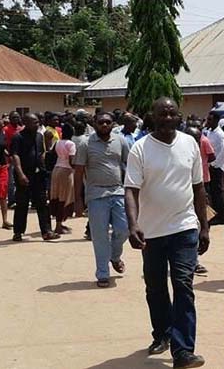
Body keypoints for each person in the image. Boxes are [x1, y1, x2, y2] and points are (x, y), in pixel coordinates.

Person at [125, 98, 210, 369]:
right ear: (153, 116)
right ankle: (162, 333)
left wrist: (204, 225)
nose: (168, 118)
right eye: (162, 114)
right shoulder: (140, 148)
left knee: (183, 284)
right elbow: (131, 190)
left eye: (172, 114)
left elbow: (198, 187)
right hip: (151, 231)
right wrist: (133, 224)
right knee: (156, 286)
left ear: (179, 117)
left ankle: (183, 350)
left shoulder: (189, 144)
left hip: (184, 227)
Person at [74, 112, 130, 287]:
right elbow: (78, 172)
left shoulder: (120, 141)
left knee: (125, 229)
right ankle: (103, 273)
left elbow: (129, 165)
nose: (104, 125)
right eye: (101, 122)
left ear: (113, 124)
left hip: (118, 192)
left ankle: (114, 256)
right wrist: (78, 199)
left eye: (108, 122)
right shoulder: (85, 143)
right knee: (100, 236)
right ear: (94, 123)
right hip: (96, 195)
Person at [10, 113, 59, 241]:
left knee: (42, 204)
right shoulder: (18, 137)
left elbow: (42, 153)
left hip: (38, 175)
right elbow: (15, 156)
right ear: (26, 123)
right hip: (24, 175)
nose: (38, 124)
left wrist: (44, 167)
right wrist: (20, 174)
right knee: (22, 204)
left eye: (38, 122)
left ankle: (46, 231)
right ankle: (18, 232)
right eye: (35, 122)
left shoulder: (39, 136)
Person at [184, 124, 215, 276]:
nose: (195, 142)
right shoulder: (178, 153)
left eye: (197, 140)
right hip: (183, 198)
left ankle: (194, 261)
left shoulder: (198, 151)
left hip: (199, 192)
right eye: (193, 139)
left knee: (198, 226)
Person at [49, 123, 76, 235]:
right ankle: (58, 226)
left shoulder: (57, 142)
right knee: (64, 198)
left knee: (56, 197)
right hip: (66, 171)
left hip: (56, 169)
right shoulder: (71, 144)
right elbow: (71, 160)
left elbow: (52, 154)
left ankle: (58, 223)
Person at [203, 111, 224, 223]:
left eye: (210, 120)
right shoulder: (209, 132)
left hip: (216, 167)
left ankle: (221, 216)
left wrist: (214, 165)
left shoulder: (220, 135)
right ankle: (215, 214)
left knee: (217, 192)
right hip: (210, 166)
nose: (208, 122)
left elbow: (223, 151)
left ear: (216, 121)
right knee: (212, 192)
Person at [4, 111, 23, 209]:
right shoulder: (6, 129)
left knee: (20, 179)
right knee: (11, 181)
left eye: (17, 117)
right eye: (14, 117)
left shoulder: (21, 129)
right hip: (10, 159)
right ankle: (11, 201)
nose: (16, 119)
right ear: (10, 119)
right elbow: (4, 145)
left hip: (21, 158)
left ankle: (20, 199)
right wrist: (9, 155)